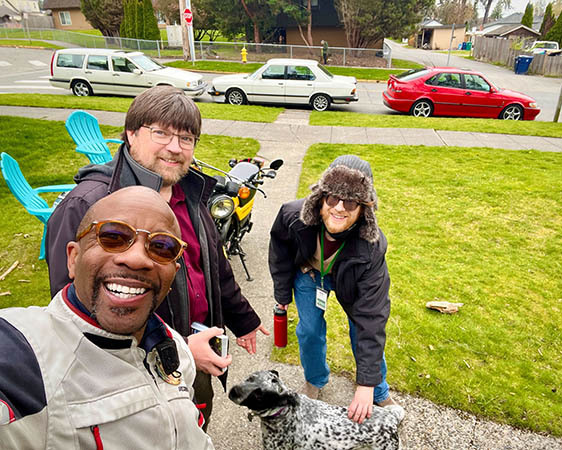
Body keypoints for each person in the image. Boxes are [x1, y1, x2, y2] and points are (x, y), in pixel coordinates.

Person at [45, 85, 268, 427]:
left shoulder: (190, 195)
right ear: (131, 134)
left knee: (190, 430)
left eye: (187, 138)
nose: (175, 148)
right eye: (161, 133)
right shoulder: (89, 204)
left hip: (194, 360)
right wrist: (175, 350)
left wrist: (244, 320)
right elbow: (71, 315)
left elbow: (212, 265)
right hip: (130, 382)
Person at [0, 187, 214, 449]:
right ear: (73, 258)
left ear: (172, 275)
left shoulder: (175, 349)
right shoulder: (28, 357)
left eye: (162, 247)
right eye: (112, 236)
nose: (136, 259)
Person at [268, 154, 400, 425]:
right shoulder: (292, 215)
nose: (339, 208)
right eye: (332, 199)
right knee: (309, 330)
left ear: (365, 208)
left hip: (350, 281)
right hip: (309, 273)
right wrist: (282, 294)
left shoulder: (371, 248)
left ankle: (378, 388)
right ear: (321, 197)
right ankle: (315, 379)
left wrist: (366, 384)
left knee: (359, 330)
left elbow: (372, 320)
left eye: (350, 202)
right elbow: (279, 252)